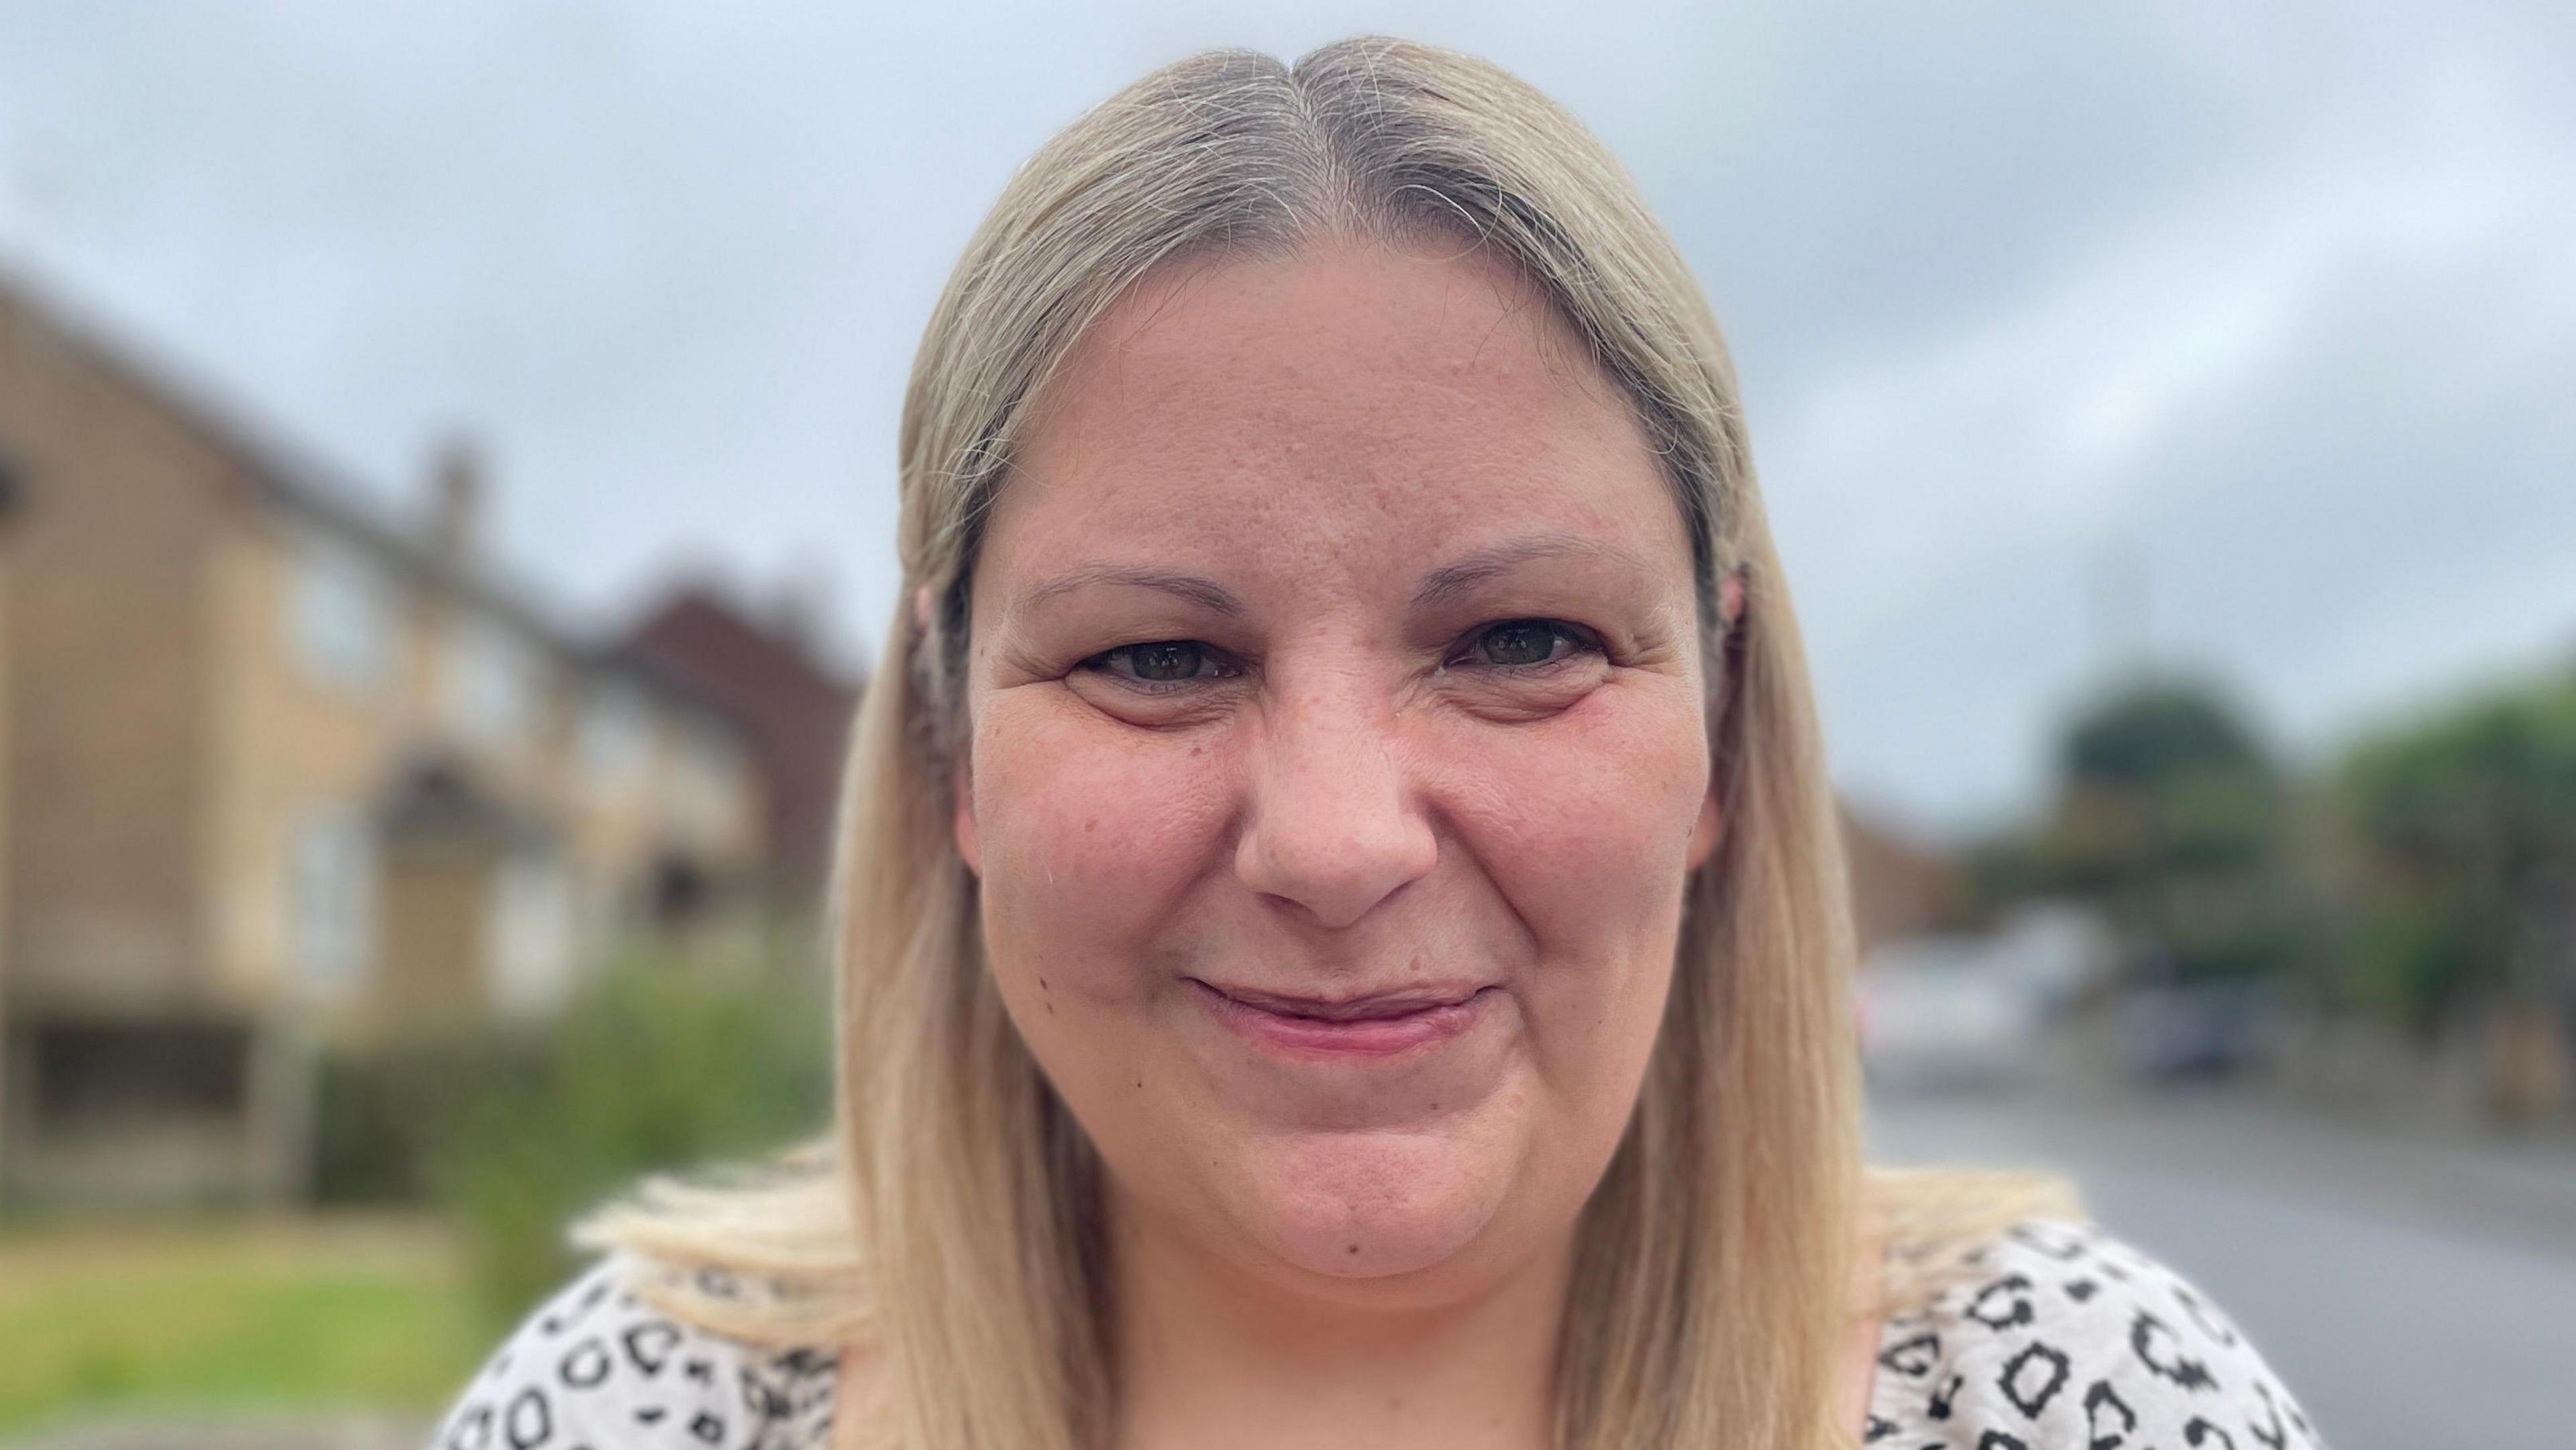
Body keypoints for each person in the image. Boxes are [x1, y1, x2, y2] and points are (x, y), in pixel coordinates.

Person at [425, 35, 2325, 1450]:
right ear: (949, 757)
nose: (1336, 840)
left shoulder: (2072, 1407)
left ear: (1726, 733)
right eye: (1160, 656)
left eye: (1520, 639)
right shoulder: (632, 1417)